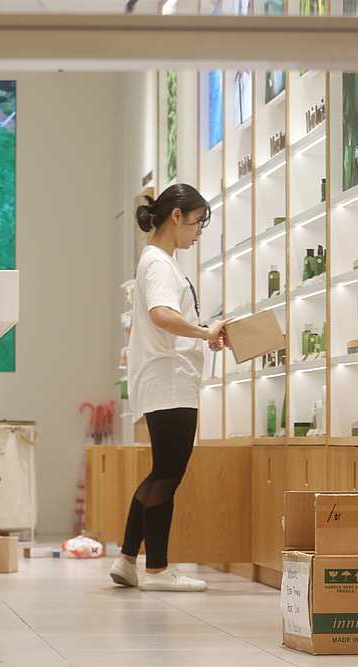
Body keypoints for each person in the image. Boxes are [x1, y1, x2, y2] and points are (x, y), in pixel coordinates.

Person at [108, 184, 231, 592]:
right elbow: (162, 314)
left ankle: (128, 560)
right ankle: (158, 569)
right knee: (168, 474)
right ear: (175, 217)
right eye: (196, 223)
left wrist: (201, 333)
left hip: (165, 378)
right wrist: (203, 331)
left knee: (162, 472)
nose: (198, 233)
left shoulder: (157, 260)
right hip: (170, 379)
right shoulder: (159, 263)